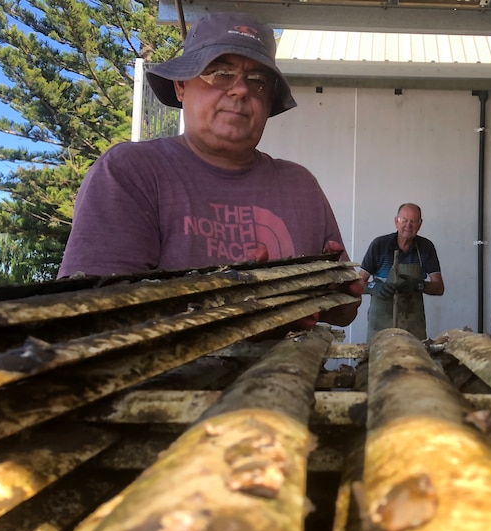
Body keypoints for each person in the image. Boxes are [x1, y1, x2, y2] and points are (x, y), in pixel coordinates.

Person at [57, 12, 359, 327]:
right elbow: (89, 320)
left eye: (257, 81)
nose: (240, 90)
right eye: (219, 72)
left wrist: (336, 294)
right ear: (181, 85)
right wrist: (236, 314)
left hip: (290, 373)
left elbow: (344, 311)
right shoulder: (130, 173)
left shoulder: (301, 186)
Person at [360, 203, 444, 340]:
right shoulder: (379, 245)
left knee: (414, 360)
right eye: (404, 220)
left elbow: (439, 287)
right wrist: (373, 287)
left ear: (420, 224)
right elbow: (358, 284)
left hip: (413, 325)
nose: (408, 225)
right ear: (396, 221)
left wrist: (418, 285)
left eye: (413, 221)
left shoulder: (425, 247)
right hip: (380, 324)